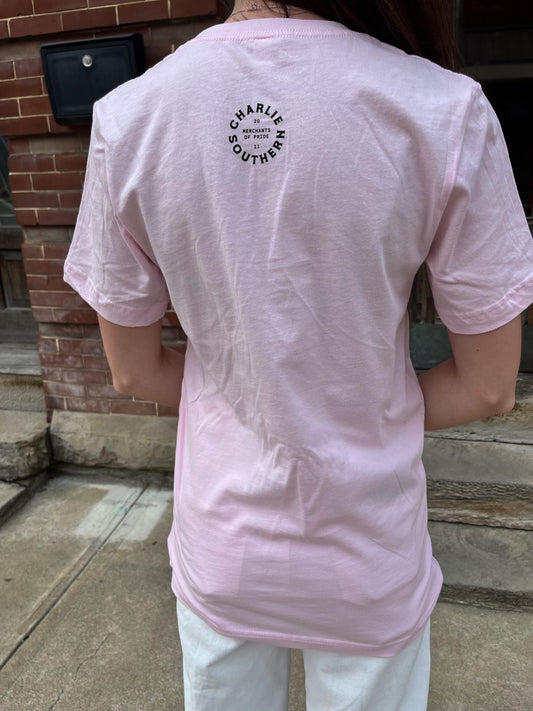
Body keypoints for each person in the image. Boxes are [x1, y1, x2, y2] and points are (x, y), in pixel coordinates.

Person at [64, 1, 533, 709]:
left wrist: (253, 401)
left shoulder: (129, 117)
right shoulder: (444, 109)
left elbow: (134, 370)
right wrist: (364, 408)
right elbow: (490, 386)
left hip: (223, 545)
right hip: (367, 552)